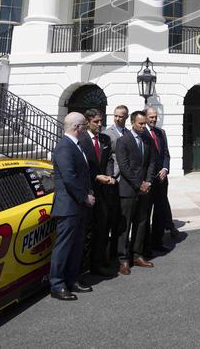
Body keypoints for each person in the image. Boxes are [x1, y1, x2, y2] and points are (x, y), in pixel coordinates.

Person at [48, 112, 95, 300]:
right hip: (69, 207)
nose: (86, 128)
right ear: (78, 127)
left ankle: (72, 279)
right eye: (84, 125)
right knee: (64, 247)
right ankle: (57, 284)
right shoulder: (64, 147)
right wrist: (85, 197)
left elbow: (83, 174)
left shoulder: (77, 146)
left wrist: (88, 193)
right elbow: (69, 178)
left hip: (79, 206)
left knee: (76, 246)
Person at [115, 110, 157, 274]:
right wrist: (139, 184)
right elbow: (124, 167)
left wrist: (147, 182)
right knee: (125, 226)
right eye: (140, 124)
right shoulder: (123, 141)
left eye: (145, 124)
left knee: (141, 223)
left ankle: (137, 255)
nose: (143, 126)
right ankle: (123, 260)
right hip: (128, 190)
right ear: (132, 123)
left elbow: (151, 162)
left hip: (144, 189)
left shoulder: (147, 140)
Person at [79, 109, 118, 277]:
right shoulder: (80, 139)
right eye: (96, 121)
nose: (100, 124)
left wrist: (109, 176)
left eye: (101, 121)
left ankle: (97, 264)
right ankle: (82, 268)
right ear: (88, 122)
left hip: (103, 192)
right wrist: (96, 177)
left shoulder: (105, 139)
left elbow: (109, 159)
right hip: (86, 190)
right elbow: (79, 167)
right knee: (86, 232)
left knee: (101, 229)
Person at [102, 105, 131, 264]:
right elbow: (106, 158)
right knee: (111, 218)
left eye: (121, 116)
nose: (118, 118)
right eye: (116, 115)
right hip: (113, 179)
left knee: (122, 219)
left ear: (126, 117)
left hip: (126, 181)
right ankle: (108, 253)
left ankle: (119, 250)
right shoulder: (107, 134)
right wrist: (109, 176)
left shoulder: (128, 133)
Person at [144, 107, 174, 256]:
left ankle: (158, 241)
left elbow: (166, 154)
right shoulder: (141, 133)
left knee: (160, 212)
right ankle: (145, 246)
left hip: (162, 179)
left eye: (155, 117)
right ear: (145, 117)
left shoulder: (161, 133)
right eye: (151, 117)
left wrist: (165, 169)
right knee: (146, 212)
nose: (153, 119)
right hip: (149, 180)